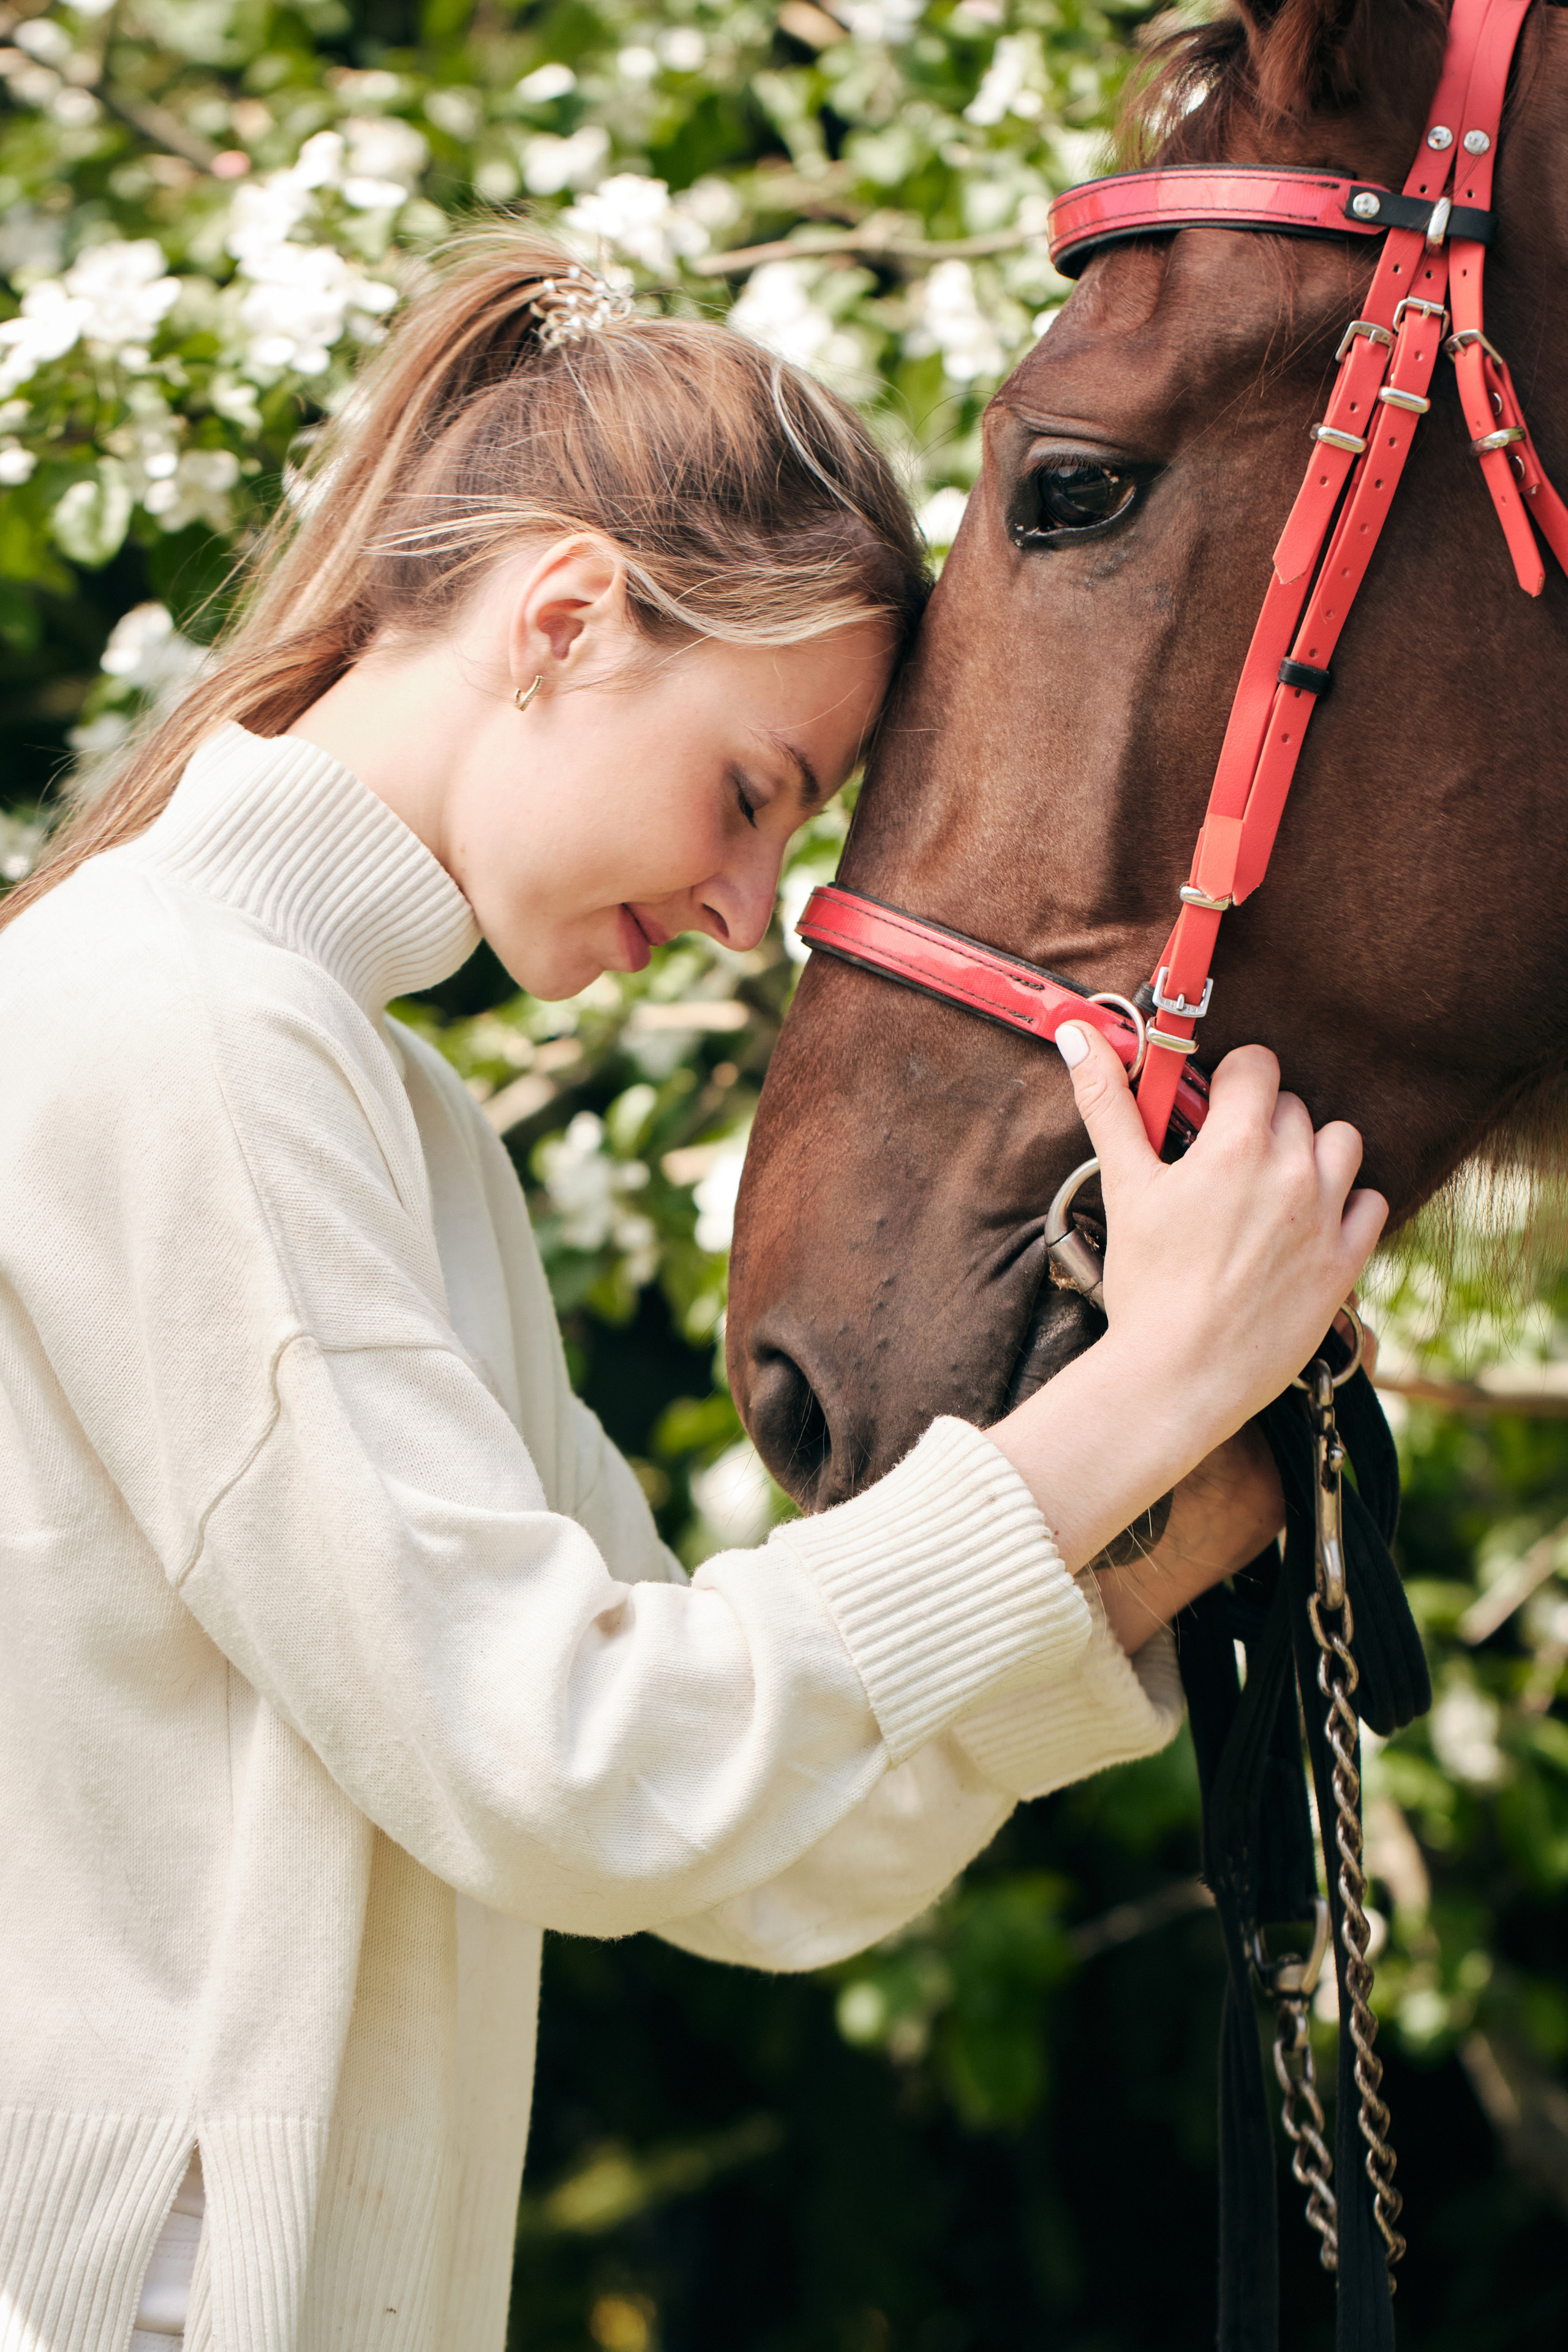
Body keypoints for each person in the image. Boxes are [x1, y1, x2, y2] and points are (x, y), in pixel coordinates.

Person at [0, 234, 1384, 2352]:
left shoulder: (396, 1116)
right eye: (753, 794)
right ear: (563, 620)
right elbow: (551, 1750)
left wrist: (1146, 1544)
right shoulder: (167, 1018)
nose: (751, 912)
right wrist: (1135, 1393)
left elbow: (721, 1845)